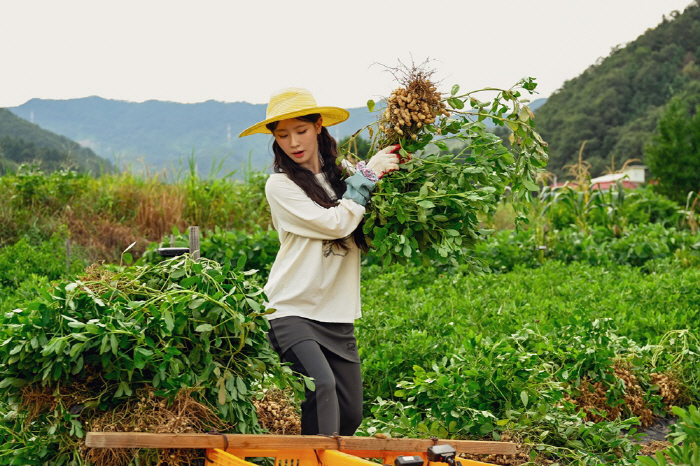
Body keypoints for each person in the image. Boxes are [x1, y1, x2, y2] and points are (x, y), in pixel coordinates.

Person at [239, 87, 399, 436]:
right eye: (283, 135)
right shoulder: (280, 185)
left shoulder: (343, 174)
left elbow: (365, 221)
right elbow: (336, 223)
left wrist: (392, 176)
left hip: (337, 313)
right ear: (275, 139)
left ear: (318, 127)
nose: (293, 142)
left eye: (301, 131)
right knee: (321, 389)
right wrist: (369, 176)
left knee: (350, 415)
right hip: (290, 309)